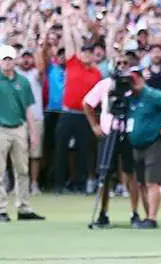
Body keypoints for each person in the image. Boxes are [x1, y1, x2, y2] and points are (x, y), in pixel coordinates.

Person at [0, 45, 45, 222]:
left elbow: (28, 109)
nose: (8, 63)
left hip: (18, 128)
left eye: (10, 59)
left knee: (22, 170)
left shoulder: (23, 82)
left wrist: (33, 132)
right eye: (4, 59)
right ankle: (1, 209)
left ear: (14, 60)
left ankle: (23, 207)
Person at [83, 69, 143, 228]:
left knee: (131, 173)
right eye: (120, 64)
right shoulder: (104, 84)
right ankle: (103, 213)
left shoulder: (133, 86)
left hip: (127, 133)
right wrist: (95, 126)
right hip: (108, 133)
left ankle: (135, 212)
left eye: (126, 64)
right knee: (105, 173)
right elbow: (87, 103)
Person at [52, 19, 102, 194]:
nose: (87, 55)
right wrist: (67, 21)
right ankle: (58, 184)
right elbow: (68, 40)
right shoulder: (73, 62)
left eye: (90, 53)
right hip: (68, 113)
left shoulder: (97, 73)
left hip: (85, 115)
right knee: (61, 148)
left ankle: (80, 183)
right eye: (84, 52)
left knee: (84, 151)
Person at [125, 67, 161, 229]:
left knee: (152, 182)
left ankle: (152, 217)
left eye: (135, 79)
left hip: (153, 142)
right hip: (137, 144)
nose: (132, 83)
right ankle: (147, 215)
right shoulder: (130, 98)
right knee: (141, 182)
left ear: (142, 79)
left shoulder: (150, 94)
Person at [15, 48, 45, 194]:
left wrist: (36, 47)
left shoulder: (35, 74)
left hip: (36, 117)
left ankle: (34, 184)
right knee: (17, 154)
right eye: (23, 57)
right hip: (18, 118)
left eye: (29, 57)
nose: (26, 60)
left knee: (35, 154)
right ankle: (19, 184)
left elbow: (41, 67)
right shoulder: (14, 74)